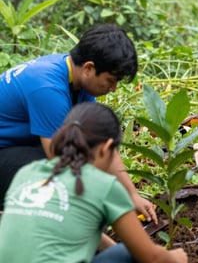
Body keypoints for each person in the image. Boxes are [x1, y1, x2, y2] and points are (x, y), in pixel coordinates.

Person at [0, 102, 189, 263]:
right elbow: (150, 258)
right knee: (128, 258)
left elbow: (68, 228)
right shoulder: (103, 185)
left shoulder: (27, 173)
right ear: (107, 148)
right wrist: (175, 258)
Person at [0, 23, 155, 221]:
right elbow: (59, 162)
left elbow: (101, 142)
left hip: (15, 148)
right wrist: (110, 205)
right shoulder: (48, 88)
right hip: (5, 154)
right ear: (89, 68)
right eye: (111, 80)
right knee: (64, 176)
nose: (114, 88)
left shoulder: (75, 78)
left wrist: (131, 195)